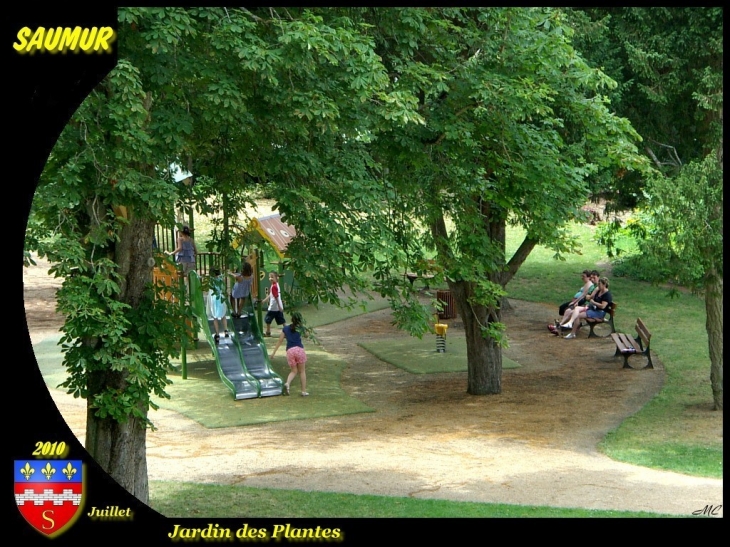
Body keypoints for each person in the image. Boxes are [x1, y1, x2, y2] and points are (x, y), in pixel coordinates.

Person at [270, 311, 308, 396]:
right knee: (302, 371)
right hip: (299, 350)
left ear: (291, 319)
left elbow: (280, 340)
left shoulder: (286, 328)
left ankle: (287, 383)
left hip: (290, 351)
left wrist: (273, 353)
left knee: (293, 371)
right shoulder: (300, 328)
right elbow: (307, 335)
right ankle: (303, 391)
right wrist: (303, 326)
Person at [206, 268, 229, 343]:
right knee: (223, 315)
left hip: (214, 298)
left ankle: (217, 334)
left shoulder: (211, 280)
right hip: (220, 297)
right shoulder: (220, 279)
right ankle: (226, 330)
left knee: (215, 318)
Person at [261, 271, 285, 337]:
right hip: (277, 306)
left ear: (276, 278)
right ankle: (286, 332)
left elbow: (276, 296)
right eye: (269, 277)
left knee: (268, 319)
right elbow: (271, 294)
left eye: (272, 277)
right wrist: (264, 300)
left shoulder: (274, 286)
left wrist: (279, 306)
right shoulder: (275, 284)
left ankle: (268, 332)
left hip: (273, 307)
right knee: (281, 320)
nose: (270, 278)